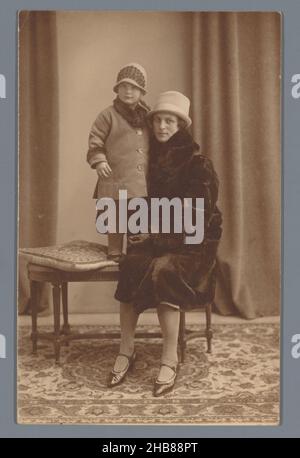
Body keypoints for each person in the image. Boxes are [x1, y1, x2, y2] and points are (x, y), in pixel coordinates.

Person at [108, 91, 222, 396]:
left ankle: (169, 358)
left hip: (193, 242)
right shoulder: (148, 160)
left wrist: (156, 235)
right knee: (131, 264)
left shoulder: (199, 165)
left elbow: (197, 217)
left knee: (165, 270)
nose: (161, 126)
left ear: (181, 125)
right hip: (158, 236)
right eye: (157, 119)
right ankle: (126, 350)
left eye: (169, 120)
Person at [87, 63, 150, 261]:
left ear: (142, 91)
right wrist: (99, 161)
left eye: (133, 87)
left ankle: (136, 250)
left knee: (136, 216)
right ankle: (114, 250)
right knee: (115, 216)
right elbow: (95, 139)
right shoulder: (108, 115)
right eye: (123, 86)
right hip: (115, 178)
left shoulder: (148, 116)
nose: (128, 91)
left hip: (139, 182)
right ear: (117, 89)